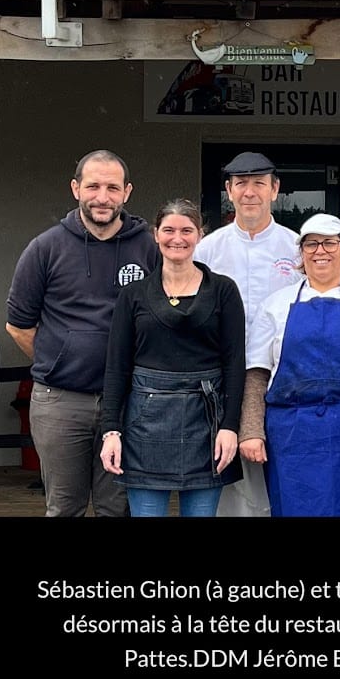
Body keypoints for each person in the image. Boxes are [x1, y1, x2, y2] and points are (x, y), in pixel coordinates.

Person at [5, 149, 160, 517]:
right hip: (60, 403)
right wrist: (59, 362)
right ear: (76, 188)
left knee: (116, 508)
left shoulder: (149, 247)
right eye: (93, 186)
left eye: (112, 187)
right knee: (64, 508)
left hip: (127, 403)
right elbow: (18, 325)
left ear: (127, 192)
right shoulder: (45, 248)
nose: (102, 197)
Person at [238, 213, 340, 517]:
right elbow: (257, 374)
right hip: (293, 435)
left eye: (329, 243)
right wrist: (251, 430)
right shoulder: (275, 305)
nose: (320, 251)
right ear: (301, 254)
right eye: (311, 244)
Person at [99, 198, 245, 517]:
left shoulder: (223, 291)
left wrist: (230, 426)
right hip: (144, 423)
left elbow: (235, 364)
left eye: (186, 230)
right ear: (155, 234)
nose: (177, 238)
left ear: (200, 235)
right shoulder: (133, 294)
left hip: (207, 421)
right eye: (168, 230)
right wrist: (111, 430)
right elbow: (117, 368)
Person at [194, 150, 301, 517]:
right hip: (224, 376)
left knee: (284, 470)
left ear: (276, 189)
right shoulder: (207, 250)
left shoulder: (298, 247)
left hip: (285, 376)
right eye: (241, 184)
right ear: (229, 190)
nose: (250, 192)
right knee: (233, 475)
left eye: (259, 183)